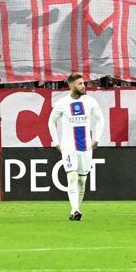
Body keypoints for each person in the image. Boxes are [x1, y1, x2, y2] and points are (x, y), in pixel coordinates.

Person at [47, 73, 105, 220]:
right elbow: (51, 122)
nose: (83, 86)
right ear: (71, 85)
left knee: (82, 181)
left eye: (83, 83)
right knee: (72, 177)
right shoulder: (62, 103)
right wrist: (55, 142)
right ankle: (75, 211)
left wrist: (97, 139)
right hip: (68, 147)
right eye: (79, 83)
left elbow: (101, 119)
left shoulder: (90, 101)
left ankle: (76, 209)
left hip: (85, 147)